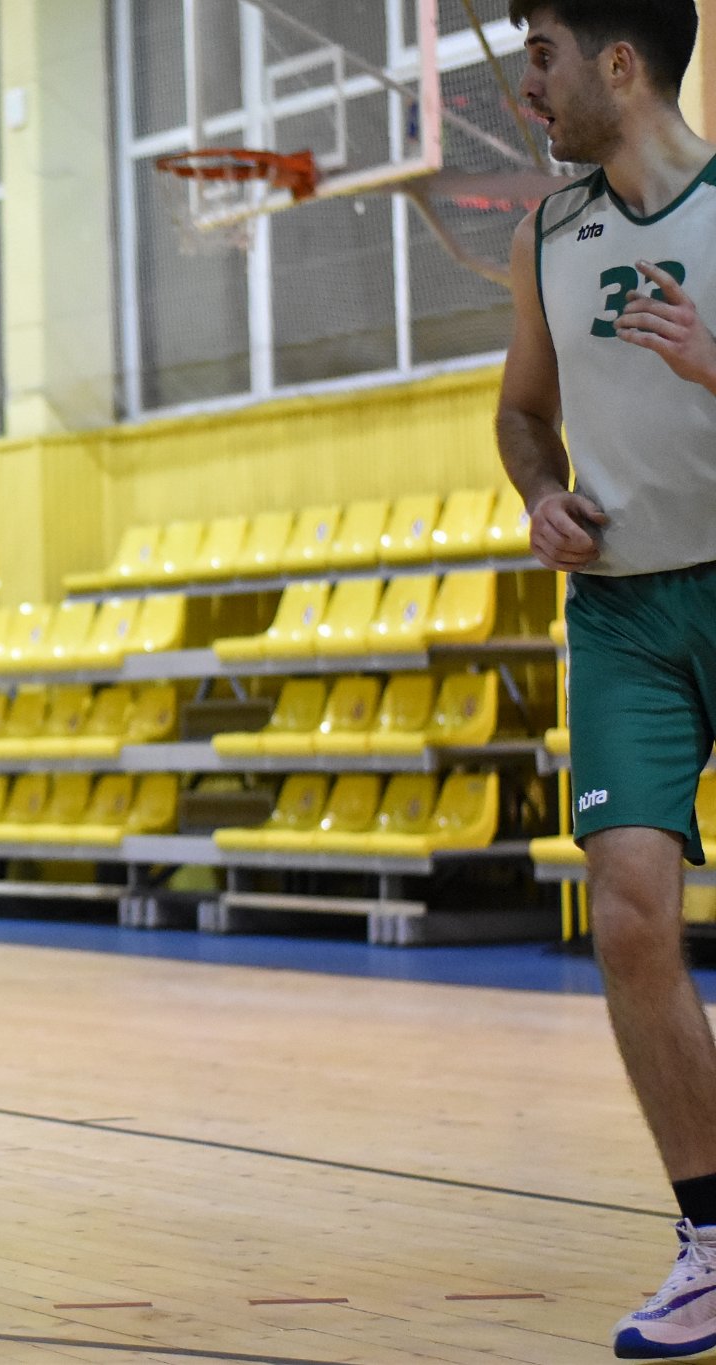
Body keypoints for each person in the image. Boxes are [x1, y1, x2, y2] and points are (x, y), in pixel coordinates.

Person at [496, 0, 716, 1356]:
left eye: (544, 56)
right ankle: (713, 1239)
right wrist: (541, 493)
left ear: (619, 64)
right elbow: (524, 408)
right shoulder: (549, 235)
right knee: (630, 920)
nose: (528, 86)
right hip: (624, 612)